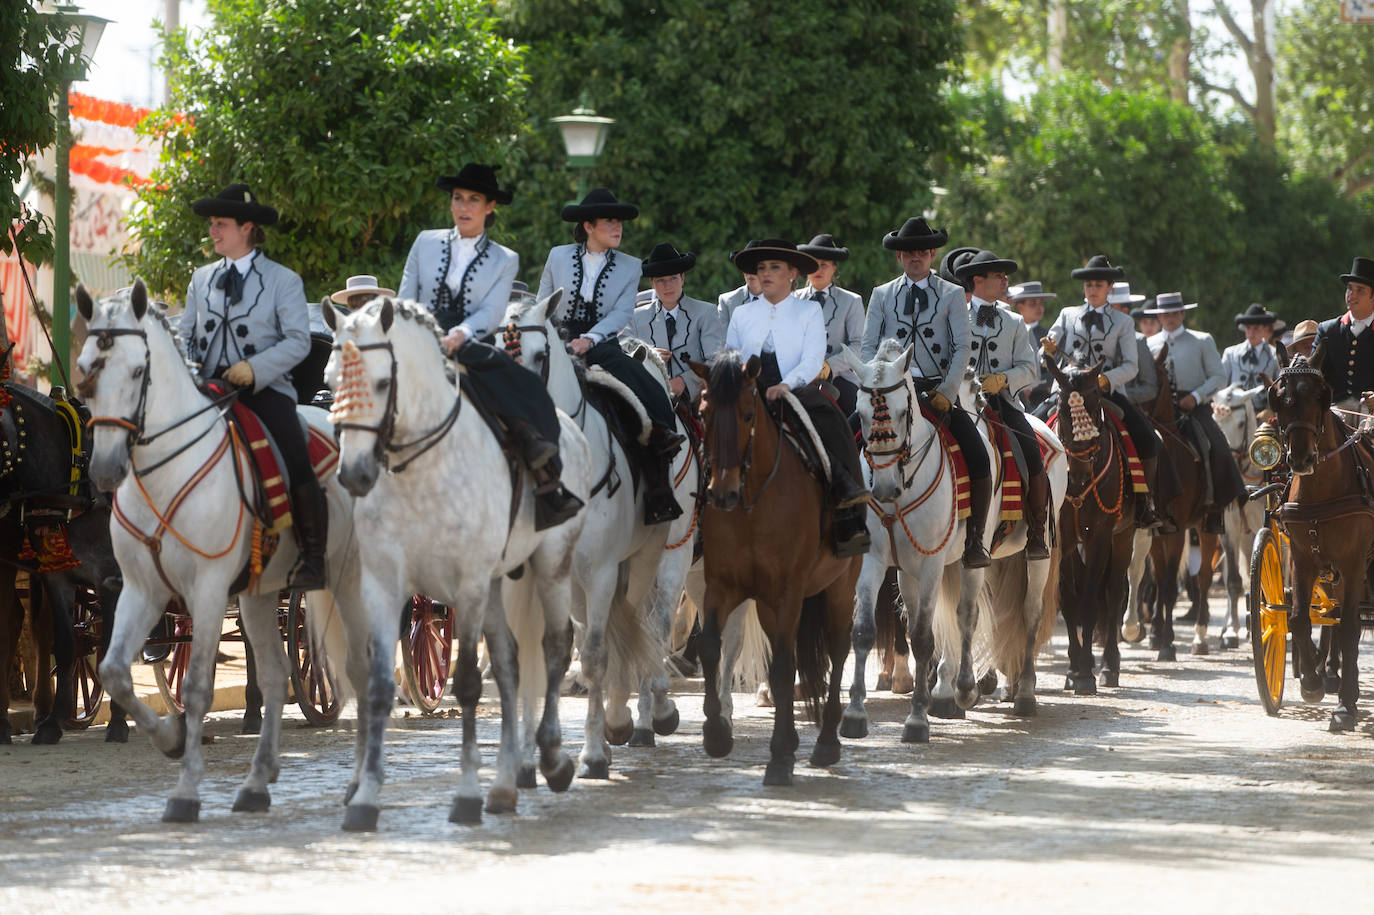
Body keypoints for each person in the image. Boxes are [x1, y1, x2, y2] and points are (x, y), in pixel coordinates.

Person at [397, 164, 581, 529]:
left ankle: (542, 473)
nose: (463, 207)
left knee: (523, 385)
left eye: (473, 200)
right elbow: (406, 298)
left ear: (489, 206)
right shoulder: (425, 242)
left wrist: (458, 335)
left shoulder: (504, 258)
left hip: (468, 341)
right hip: (419, 338)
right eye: (458, 198)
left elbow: (491, 311)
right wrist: (423, 334)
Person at [180, 183, 325, 590]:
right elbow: (185, 334)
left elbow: (298, 340)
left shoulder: (284, 280)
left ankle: (314, 556)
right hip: (207, 389)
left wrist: (254, 368)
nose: (213, 231)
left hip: (263, 391)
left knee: (295, 449)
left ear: (247, 227)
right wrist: (190, 367)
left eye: (221, 224)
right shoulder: (200, 278)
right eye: (211, 224)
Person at [536, 187, 686, 525]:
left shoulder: (631, 266)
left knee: (643, 383)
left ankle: (660, 470)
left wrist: (589, 339)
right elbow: (542, 303)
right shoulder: (557, 256)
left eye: (619, 222)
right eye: (609, 221)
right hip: (559, 341)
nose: (618, 227)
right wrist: (550, 339)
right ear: (588, 226)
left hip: (602, 343)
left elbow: (620, 313)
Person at [724, 238, 870, 557]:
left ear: (792, 273)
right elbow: (732, 355)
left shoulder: (808, 311)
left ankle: (848, 502)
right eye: (761, 268)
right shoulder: (743, 314)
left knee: (831, 420)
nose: (766, 273)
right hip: (751, 390)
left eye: (774, 267)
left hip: (798, 387)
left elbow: (812, 358)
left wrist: (787, 384)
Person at [861, 217, 991, 567]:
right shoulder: (881, 295)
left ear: (932, 253)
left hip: (936, 392)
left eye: (921, 251)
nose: (914, 257)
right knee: (844, 439)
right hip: (889, 391)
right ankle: (845, 528)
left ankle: (976, 540)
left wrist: (947, 391)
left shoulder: (950, 294)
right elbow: (868, 346)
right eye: (908, 252)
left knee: (978, 455)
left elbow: (963, 347)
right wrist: (874, 388)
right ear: (899, 257)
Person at [1042, 254, 1164, 529]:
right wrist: (1046, 351)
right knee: (1032, 430)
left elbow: (1131, 366)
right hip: (1065, 394)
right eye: (1088, 285)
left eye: (1098, 284)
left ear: (1110, 287)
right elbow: (1046, 352)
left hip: (1103, 394)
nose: (1092, 289)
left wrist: (1102, 382)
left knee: (1146, 438)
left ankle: (1144, 504)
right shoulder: (1066, 315)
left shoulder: (1124, 323)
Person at [955, 250, 1050, 559]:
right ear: (978, 280)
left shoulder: (1014, 321)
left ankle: (1037, 533)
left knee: (1033, 453)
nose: (1006, 281)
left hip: (1002, 402)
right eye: (999, 276)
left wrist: (1003, 379)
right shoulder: (953, 316)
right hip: (960, 400)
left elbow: (1031, 368)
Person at [1145, 291, 1244, 534]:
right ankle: (1141, 505)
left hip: (1194, 408)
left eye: (1175, 312)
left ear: (1183, 313)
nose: (1170, 317)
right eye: (1165, 313)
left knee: (1214, 445)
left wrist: (1196, 397)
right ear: (1158, 315)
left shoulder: (1202, 340)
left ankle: (1214, 505)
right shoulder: (1148, 344)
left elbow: (1219, 377)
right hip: (1157, 411)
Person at [627, 242, 724, 405]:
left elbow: (716, 360)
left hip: (696, 402)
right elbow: (624, 359)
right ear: (652, 283)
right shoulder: (635, 317)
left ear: (683, 278)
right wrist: (647, 355)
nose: (668, 286)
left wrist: (685, 381)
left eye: (673, 278)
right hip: (650, 400)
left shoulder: (706, 312)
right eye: (661, 280)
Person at [798, 233, 865, 414]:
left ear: (834, 268)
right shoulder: (791, 300)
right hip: (799, 376)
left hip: (839, 378)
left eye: (824, 265)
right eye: (813, 264)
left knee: (856, 414)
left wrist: (829, 366)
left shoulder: (851, 301)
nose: (818, 270)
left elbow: (859, 345)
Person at [1314, 257, 1374, 410]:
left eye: (1360, 290)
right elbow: (1315, 374)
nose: (1351, 295)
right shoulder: (1327, 330)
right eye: (1349, 288)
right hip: (1334, 411)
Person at [1107, 282, 1158, 409]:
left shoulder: (1138, 341)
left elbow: (1150, 388)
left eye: (1110, 306)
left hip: (1125, 408)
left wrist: (1119, 396)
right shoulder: (1091, 336)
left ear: (1124, 310)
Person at [1221, 303, 1281, 410]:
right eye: (1248, 328)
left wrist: (1271, 413)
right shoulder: (1230, 354)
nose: (1251, 333)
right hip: (1236, 415)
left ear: (1264, 329)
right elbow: (1222, 386)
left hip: (1264, 417)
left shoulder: (1275, 356)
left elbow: (1279, 388)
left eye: (1256, 328)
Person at [1009, 280, 1056, 407]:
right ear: (1020, 307)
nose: (1039, 308)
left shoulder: (1049, 335)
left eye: (1041, 304)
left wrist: (1033, 387)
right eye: (1033, 304)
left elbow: (1055, 368)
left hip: (1043, 399)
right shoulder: (1010, 333)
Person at [718, 240, 761, 325]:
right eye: (745, 266)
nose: (749, 273)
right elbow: (722, 336)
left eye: (755, 267)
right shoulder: (727, 302)